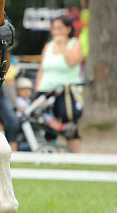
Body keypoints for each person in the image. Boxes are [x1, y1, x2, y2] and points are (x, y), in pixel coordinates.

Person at [35, 15, 84, 152]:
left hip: (66, 92)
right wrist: (37, 90)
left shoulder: (74, 44)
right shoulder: (48, 46)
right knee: (45, 126)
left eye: (59, 28)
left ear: (68, 29)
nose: (56, 32)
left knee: (69, 124)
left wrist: (63, 46)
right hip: (46, 91)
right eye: (54, 29)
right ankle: (48, 154)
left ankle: (77, 158)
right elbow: (42, 69)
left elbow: (73, 62)